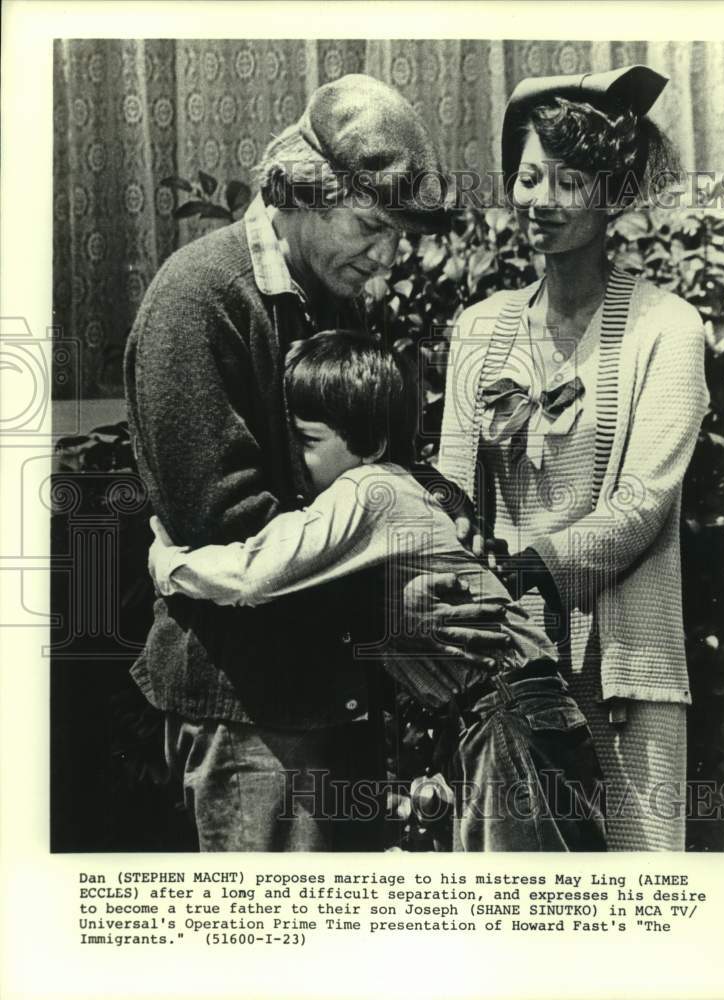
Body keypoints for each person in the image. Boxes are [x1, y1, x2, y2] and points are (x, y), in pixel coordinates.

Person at [123, 74, 507, 853]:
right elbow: (229, 534)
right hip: (250, 717)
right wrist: (387, 619)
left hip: (332, 697)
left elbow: (375, 476)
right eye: (370, 225)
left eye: (399, 234)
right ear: (299, 191)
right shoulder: (199, 299)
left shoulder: (327, 298)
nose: (388, 257)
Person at [148, 330, 607, 852]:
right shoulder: (394, 485)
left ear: (370, 444)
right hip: (520, 708)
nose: (298, 460)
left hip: (507, 714)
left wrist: (168, 564)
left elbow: (256, 573)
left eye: (308, 441)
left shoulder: (367, 492)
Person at [437, 65, 710, 850]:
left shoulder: (667, 329)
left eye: (569, 181)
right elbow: (454, 486)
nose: (541, 201)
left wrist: (522, 569)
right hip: (510, 669)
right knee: (520, 919)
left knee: (635, 912)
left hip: (625, 669)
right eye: (528, 178)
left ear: (611, 193)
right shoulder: (480, 328)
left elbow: (640, 506)